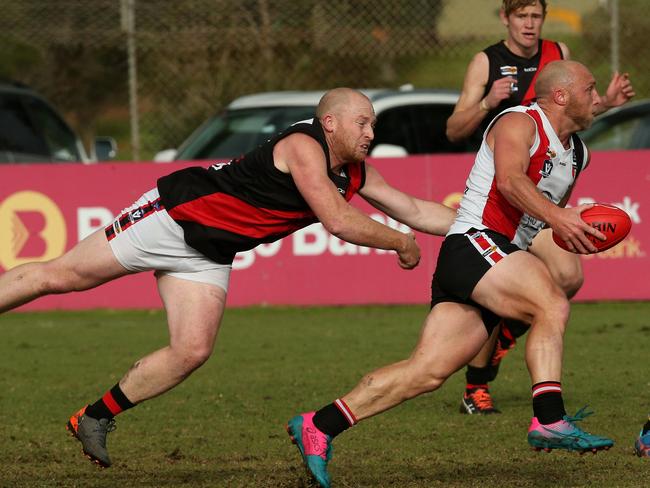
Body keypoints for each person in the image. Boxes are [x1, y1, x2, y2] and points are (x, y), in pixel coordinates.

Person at [0, 88, 456, 468]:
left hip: (210, 252)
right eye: (362, 123)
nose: (370, 133)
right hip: (174, 216)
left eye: (373, 124)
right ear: (330, 123)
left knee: (192, 350)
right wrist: (401, 242)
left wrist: (477, 223)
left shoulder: (356, 173)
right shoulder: (304, 145)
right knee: (61, 277)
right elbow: (337, 221)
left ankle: (93, 418)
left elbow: (415, 210)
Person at [288, 61, 614, 488]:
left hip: (495, 256)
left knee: (426, 372)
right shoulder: (520, 122)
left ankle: (319, 424)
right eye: (591, 90)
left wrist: (567, 226)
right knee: (550, 301)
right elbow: (511, 181)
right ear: (560, 96)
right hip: (476, 244)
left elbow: (534, 214)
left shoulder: (578, 154)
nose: (598, 98)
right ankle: (550, 419)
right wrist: (559, 219)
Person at [445, 0, 635, 415]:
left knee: (567, 275)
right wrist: (485, 104)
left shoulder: (559, 54)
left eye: (536, 17)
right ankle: (478, 385)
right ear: (506, 19)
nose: (530, 25)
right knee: (518, 295)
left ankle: (508, 337)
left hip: (536, 201)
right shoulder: (486, 62)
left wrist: (606, 102)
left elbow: (570, 110)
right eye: (522, 17)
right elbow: (453, 129)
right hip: (498, 189)